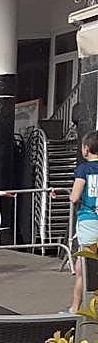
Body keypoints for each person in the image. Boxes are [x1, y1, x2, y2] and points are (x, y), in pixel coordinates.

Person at [71, 131, 98, 313]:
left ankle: (76, 308)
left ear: (86, 149)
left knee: (84, 268)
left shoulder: (83, 169)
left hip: (88, 221)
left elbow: (74, 197)